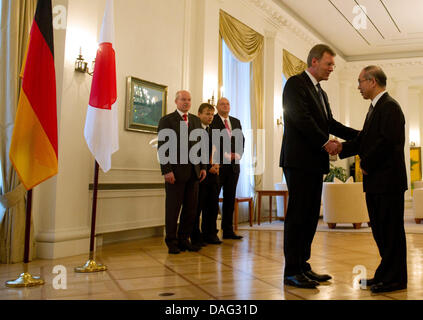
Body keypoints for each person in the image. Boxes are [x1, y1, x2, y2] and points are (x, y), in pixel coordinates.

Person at [279, 44, 359, 288]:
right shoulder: (295, 84)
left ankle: (303, 265)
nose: (332, 69)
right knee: (298, 215)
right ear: (314, 62)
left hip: (314, 163)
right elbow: (299, 118)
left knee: (311, 215)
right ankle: (292, 271)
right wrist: (326, 143)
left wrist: (361, 136)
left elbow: (330, 123)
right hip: (299, 161)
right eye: (329, 64)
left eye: (333, 65)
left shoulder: (321, 93)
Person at [338, 66, 408, 293]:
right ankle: (385, 274)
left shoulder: (390, 107)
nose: (358, 87)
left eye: (360, 82)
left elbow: (387, 143)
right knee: (381, 231)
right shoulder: (375, 108)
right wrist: (341, 148)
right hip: (378, 183)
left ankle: (395, 280)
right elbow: (365, 140)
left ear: (372, 81)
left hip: (388, 182)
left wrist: (366, 164)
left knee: (391, 231)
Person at [157, 90, 207, 254]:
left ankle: (184, 239)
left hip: (194, 172)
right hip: (175, 173)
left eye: (189, 100)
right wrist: (167, 170)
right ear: (176, 101)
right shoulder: (167, 120)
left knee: (191, 210)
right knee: (173, 209)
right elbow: (163, 147)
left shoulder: (194, 120)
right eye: (183, 99)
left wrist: (203, 167)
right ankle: (172, 242)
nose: (186, 102)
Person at [210, 97, 245, 240]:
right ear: (217, 107)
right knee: (213, 198)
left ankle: (228, 230)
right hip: (218, 165)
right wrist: (224, 155)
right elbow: (211, 140)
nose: (225, 106)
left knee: (230, 198)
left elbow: (241, 140)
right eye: (222, 104)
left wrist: (237, 154)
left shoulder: (236, 121)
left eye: (227, 104)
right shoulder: (213, 121)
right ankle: (211, 232)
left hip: (233, 166)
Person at [190, 103, 222, 246]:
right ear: (199, 114)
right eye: (207, 114)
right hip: (201, 175)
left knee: (212, 206)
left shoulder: (212, 131)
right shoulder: (194, 132)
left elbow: (216, 150)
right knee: (198, 207)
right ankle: (196, 236)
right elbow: (195, 153)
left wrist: (216, 165)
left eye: (211, 114)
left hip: (214, 174)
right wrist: (208, 167)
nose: (210, 117)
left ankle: (210, 234)